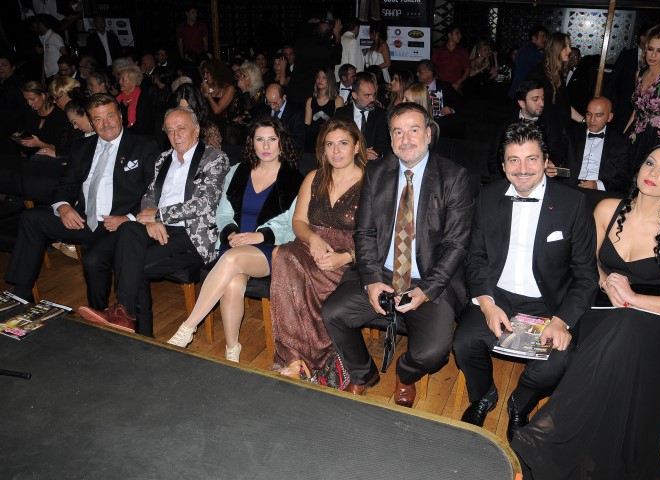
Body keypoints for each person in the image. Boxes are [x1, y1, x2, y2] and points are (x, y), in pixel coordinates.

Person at [512, 144, 660, 479]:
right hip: (602, 306)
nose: (654, 173)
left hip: (653, 322)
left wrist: (631, 298)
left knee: (626, 324)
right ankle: (559, 438)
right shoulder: (607, 209)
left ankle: (547, 435)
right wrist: (605, 282)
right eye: (650, 163)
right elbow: (587, 263)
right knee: (616, 328)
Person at [453, 120, 597, 440]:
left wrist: (561, 321)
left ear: (545, 161)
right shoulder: (488, 196)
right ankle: (484, 395)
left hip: (548, 303)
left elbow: (586, 275)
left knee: (557, 362)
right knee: (464, 343)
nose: (522, 169)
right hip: (498, 295)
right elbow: (475, 257)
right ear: (503, 164)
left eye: (531, 159)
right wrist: (487, 305)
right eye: (513, 160)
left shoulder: (573, 204)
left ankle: (520, 402)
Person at [323, 103, 474, 407]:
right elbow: (364, 232)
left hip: (430, 278)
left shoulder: (454, 177)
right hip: (383, 271)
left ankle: (405, 375)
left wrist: (427, 290)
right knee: (333, 313)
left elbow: (456, 245)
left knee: (432, 353)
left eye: (413, 130)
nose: (406, 140)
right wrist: (371, 280)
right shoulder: (376, 172)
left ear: (428, 134)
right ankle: (363, 373)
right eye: (398, 132)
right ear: (390, 138)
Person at [78, 107, 230, 337]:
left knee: (131, 262)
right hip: (157, 228)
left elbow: (204, 205)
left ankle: (136, 327)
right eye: (170, 130)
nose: (176, 135)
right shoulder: (163, 158)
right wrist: (150, 222)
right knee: (126, 232)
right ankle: (126, 319)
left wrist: (159, 215)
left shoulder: (214, 158)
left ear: (197, 129)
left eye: (181, 128)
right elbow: (148, 196)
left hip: (192, 235)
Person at [167, 117, 303, 360]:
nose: (266, 146)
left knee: (231, 259)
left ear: (282, 142)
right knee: (232, 284)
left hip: (270, 248)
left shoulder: (295, 180)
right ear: (252, 142)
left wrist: (260, 235)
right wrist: (230, 232)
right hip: (235, 243)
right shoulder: (237, 171)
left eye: (272, 139)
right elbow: (223, 212)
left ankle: (188, 327)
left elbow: (292, 225)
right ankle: (232, 350)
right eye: (260, 139)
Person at [4, 94, 157, 307]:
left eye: (110, 116)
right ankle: (21, 294)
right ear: (91, 123)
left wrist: (128, 218)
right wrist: (64, 207)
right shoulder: (83, 147)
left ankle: (98, 311)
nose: (106, 124)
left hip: (120, 225)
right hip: (84, 219)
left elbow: (155, 190)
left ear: (120, 116)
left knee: (93, 260)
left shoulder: (144, 145)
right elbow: (66, 184)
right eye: (98, 119)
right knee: (31, 218)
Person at [271, 117, 366, 378]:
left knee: (292, 266)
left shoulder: (371, 183)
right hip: (312, 247)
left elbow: (378, 237)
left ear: (357, 146)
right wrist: (312, 239)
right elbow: (299, 222)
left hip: (350, 257)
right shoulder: (314, 178)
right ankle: (293, 358)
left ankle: (317, 357)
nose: (336, 151)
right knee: (284, 255)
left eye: (343, 143)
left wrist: (345, 257)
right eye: (329, 144)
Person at [553, 96, 631, 205]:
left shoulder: (619, 141)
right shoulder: (571, 133)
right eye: (589, 114)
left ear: (609, 117)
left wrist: (597, 185)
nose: (592, 120)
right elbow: (557, 154)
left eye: (598, 115)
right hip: (571, 188)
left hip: (599, 194)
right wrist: (551, 164)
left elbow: (623, 178)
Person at [625, 24, 660, 168]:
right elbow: (637, 110)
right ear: (645, 48)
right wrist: (624, 134)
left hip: (657, 138)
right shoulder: (640, 74)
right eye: (650, 49)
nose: (653, 55)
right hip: (636, 135)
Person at [525, 32, 583, 167]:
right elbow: (528, 106)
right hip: (544, 137)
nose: (569, 50)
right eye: (566, 46)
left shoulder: (557, 74)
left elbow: (564, 105)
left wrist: (585, 121)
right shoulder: (538, 73)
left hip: (559, 136)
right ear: (556, 48)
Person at [334, 71, 390, 160]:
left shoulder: (382, 115)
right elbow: (337, 141)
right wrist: (360, 153)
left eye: (374, 94)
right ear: (355, 95)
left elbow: (383, 145)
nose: (372, 99)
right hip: (347, 161)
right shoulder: (342, 114)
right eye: (367, 95)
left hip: (372, 163)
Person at [15, 80, 72, 158]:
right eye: (26, 100)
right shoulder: (30, 113)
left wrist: (39, 143)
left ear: (43, 96)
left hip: (51, 160)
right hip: (32, 158)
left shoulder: (60, 115)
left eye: (32, 99)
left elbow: (61, 149)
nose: (29, 103)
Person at [304, 66, 344, 152]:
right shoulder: (310, 101)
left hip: (330, 142)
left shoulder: (338, 100)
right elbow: (307, 126)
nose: (320, 80)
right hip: (312, 143)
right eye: (318, 77)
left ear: (330, 80)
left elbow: (338, 125)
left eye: (324, 77)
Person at [174, 82, 222, 150]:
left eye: (189, 109)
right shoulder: (174, 129)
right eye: (181, 110)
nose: (185, 114)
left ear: (197, 107)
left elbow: (215, 155)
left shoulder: (209, 130)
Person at [263, 83, 305, 152]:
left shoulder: (296, 113)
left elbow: (299, 142)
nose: (272, 107)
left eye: (275, 103)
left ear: (284, 97)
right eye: (269, 102)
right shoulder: (263, 110)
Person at [508, 25, 547, 97]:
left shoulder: (526, 47)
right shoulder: (532, 49)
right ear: (534, 38)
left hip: (518, 89)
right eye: (543, 36)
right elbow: (539, 71)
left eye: (545, 37)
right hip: (523, 90)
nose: (545, 39)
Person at [116, 65, 154, 135]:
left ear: (133, 83)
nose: (120, 82)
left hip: (139, 136)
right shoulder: (118, 99)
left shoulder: (144, 100)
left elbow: (142, 127)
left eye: (123, 79)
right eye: (120, 79)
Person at [432, 25, 470, 92]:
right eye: (457, 33)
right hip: (440, 87)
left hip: (456, 87)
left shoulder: (462, 52)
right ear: (449, 35)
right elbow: (432, 68)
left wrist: (459, 82)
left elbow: (467, 70)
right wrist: (437, 81)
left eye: (460, 34)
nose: (460, 36)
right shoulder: (439, 51)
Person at [200, 59, 236, 125]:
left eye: (207, 73)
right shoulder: (207, 87)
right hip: (206, 124)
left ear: (215, 73)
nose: (205, 76)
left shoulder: (229, 88)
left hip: (221, 125)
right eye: (203, 73)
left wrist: (208, 94)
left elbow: (217, 110)